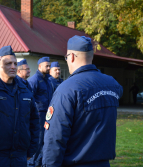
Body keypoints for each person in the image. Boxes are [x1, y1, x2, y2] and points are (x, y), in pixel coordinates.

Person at [42, 35, 123, 167]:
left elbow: (55, 136)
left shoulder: (67, 89)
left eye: (66, 57)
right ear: (91, 56)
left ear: (72, 57)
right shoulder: (112, 84)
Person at [28, 57, 53, 167]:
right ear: (39, 66)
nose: (48, 68)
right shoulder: (34, 80)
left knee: (45, 139)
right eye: (46, 66)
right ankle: (31, 163)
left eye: (49, 66)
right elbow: (30, 98)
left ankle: (39, 162)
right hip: (39, 114)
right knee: (38, 139)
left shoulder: (48, 80)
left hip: (48, 113)